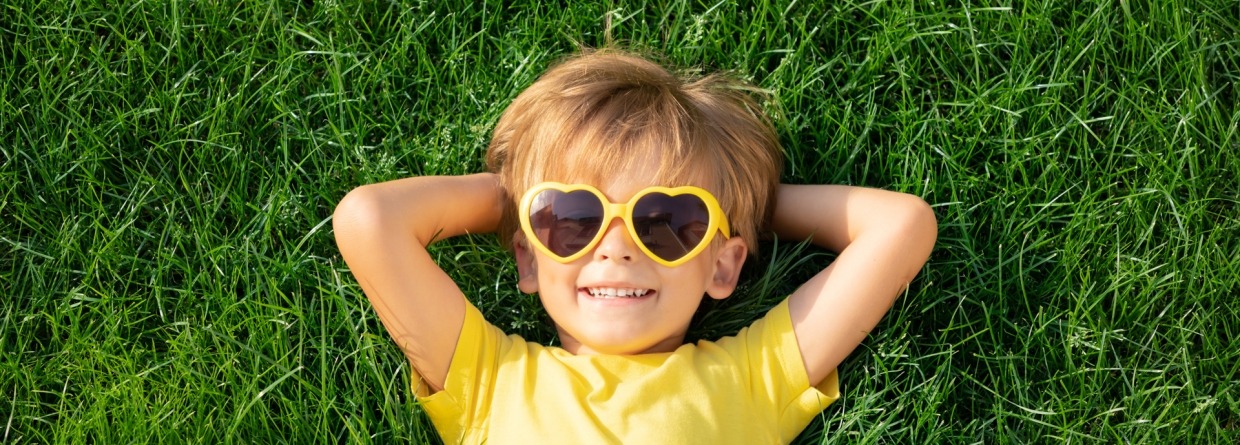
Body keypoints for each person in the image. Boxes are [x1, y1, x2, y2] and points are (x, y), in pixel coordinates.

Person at [332, 48, 937, 444]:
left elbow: (899, 226)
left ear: (723, 266)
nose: (615, 247)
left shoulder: (752, 377)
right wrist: (518, 193)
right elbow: (369, 220)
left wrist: (740, 207)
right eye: (572, 217)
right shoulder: (492, 379)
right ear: (527, 257)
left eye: (667, 220)